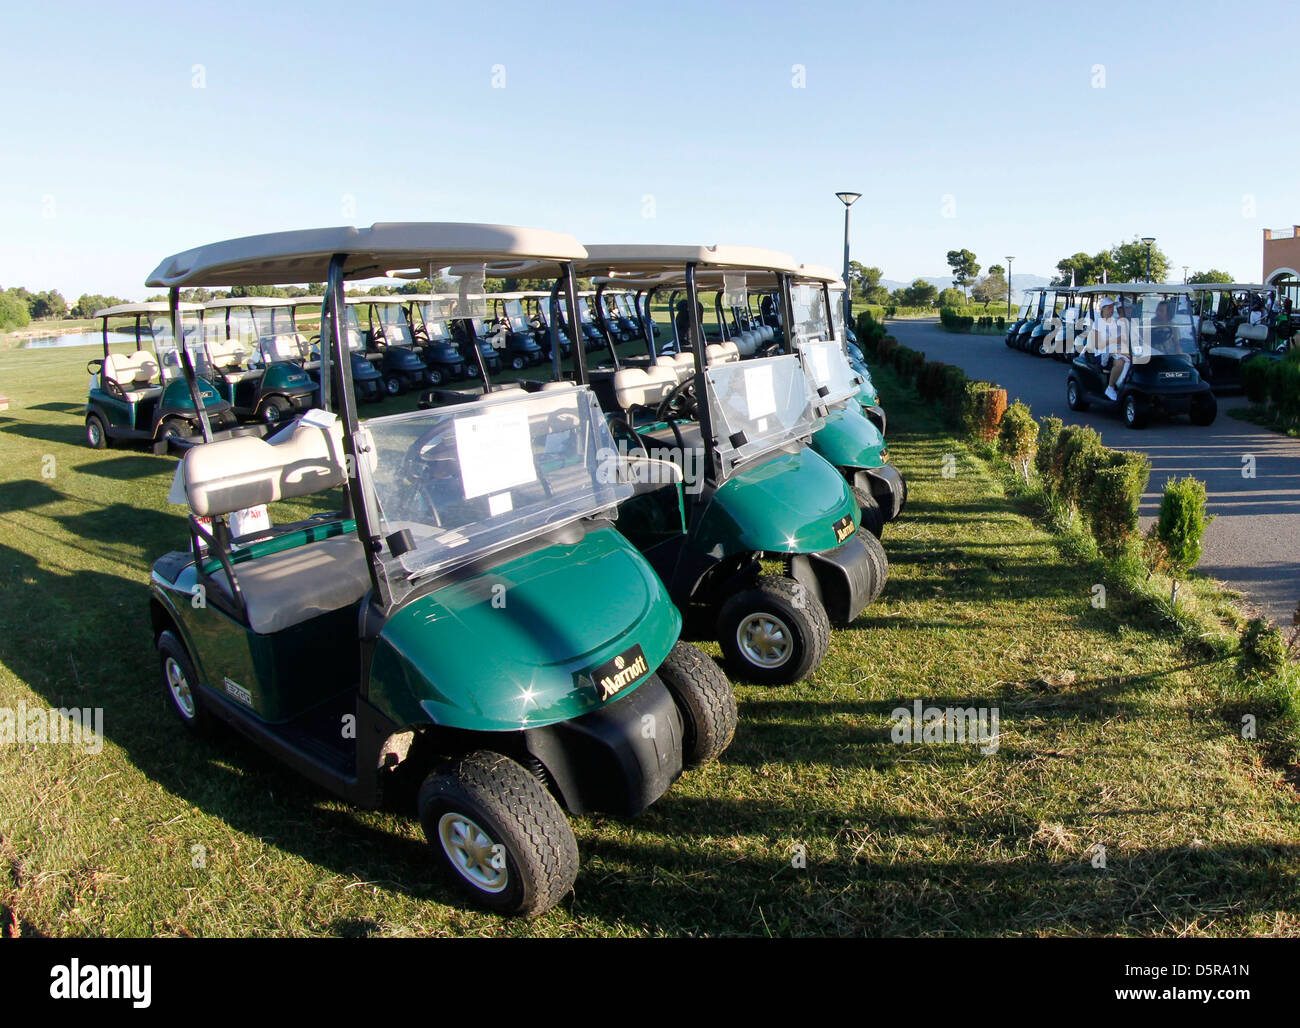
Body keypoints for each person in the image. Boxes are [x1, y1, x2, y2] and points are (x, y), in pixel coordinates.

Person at [1093, 296, 1129, 401]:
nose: (1111, 310)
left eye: (1112, 308)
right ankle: (1111, 387)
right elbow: (1097, 345)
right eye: (1109, 308)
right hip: (1101, 353)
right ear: (1102, 309)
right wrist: (1114, 340)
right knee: (1120, 362)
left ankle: (1122, 386)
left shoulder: (1115, 321)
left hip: (1114, 350)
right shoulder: (1098, 323)